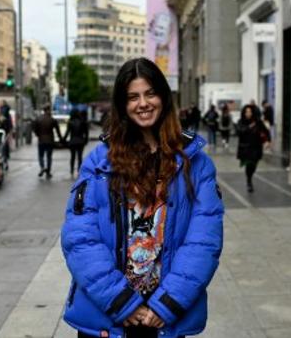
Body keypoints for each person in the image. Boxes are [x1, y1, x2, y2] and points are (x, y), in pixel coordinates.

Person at [61, 58, 224, 338]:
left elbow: (204, 241)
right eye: (133, 97)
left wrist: (167, 305)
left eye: (150, 93)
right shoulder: (99, 162)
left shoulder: (196, 163)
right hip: (109, 315)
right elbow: (80, 239)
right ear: (122, 105)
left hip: (165, 318)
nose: (143, 103)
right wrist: (121, 302)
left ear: (163, 96)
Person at [237, 104, 270, 193]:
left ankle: (250, 176)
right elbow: (240, 131)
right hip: (246, 148)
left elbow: (266, 131)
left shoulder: (258, 122)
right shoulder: (241, 121)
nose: (248, 113)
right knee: (249, 164)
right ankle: (249, 181)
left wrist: (268, 141)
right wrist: (249, 127)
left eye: (250, 112)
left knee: (254, 165)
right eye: (246, 112)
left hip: (256, 147)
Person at [33, 104, 62, 179]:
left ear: (43, 110)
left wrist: (38, 135)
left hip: (41, 140)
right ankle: (48, 172)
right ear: (49, 110)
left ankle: (42, 167)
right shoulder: (52, 119)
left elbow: (35, 129)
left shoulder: (38, 119)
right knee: (49, 157)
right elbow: (58, 130)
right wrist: (61, 139)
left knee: (41, 156)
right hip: (50, 140)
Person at [63, 108, 89, 177]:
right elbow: (86, 133)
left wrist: (63, 140)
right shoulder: (83, 122)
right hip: (80, 141)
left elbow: (67, 133)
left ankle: (71, 170)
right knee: (80, 157)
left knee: (72, 157)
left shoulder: (70, 122)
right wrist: (86, 140)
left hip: (72, 142)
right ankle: (79, 170)